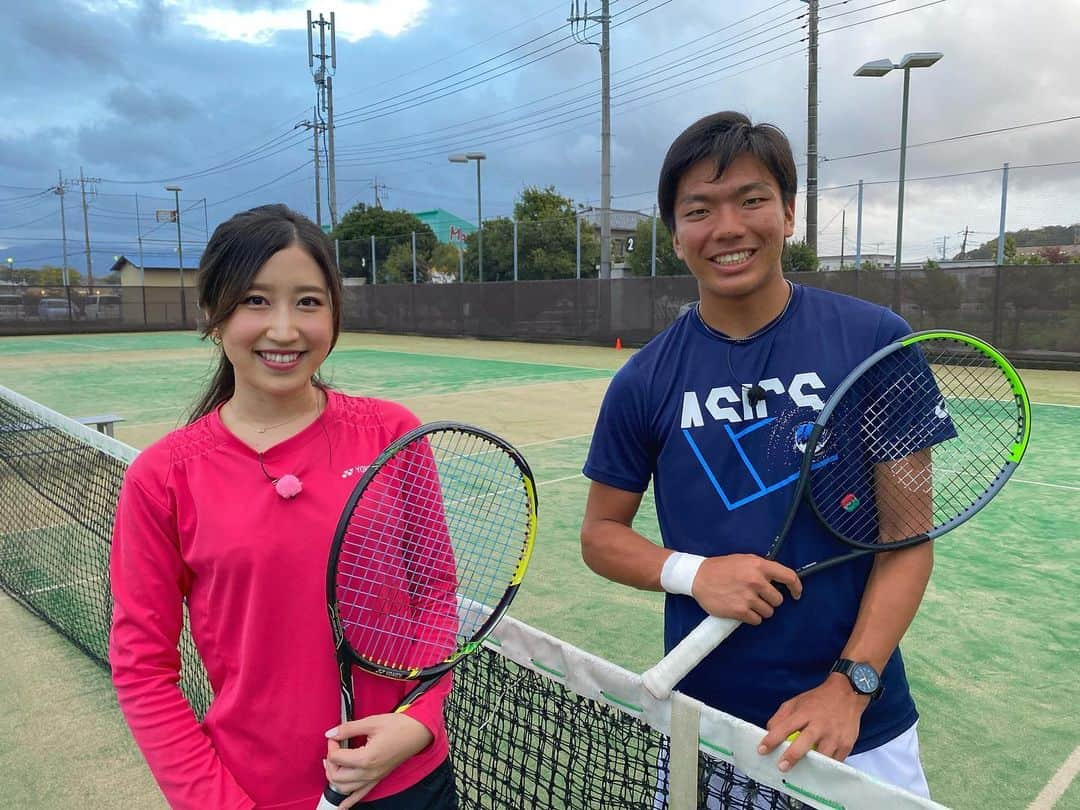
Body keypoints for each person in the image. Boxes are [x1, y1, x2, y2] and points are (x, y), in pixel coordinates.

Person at [579, 112, 934, 799]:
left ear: (789, 213)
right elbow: (600, 536)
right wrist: (694, 573)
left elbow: (907, 540)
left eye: (751, 199)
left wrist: (851, 687)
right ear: (676, 234)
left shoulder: (877, 344)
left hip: (861, 731)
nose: (729, 227)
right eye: (699, 210)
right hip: (703, 728)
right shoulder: (644, 380)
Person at [109, 204, 458, 810]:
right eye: (254, 300)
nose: (284, 329)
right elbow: (142, 670)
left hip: (411, 780)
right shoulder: (162, 477)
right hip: (252, 794)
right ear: (213, 317)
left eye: (308, 301)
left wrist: (420, 719)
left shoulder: (393, 434)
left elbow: (435, 590)